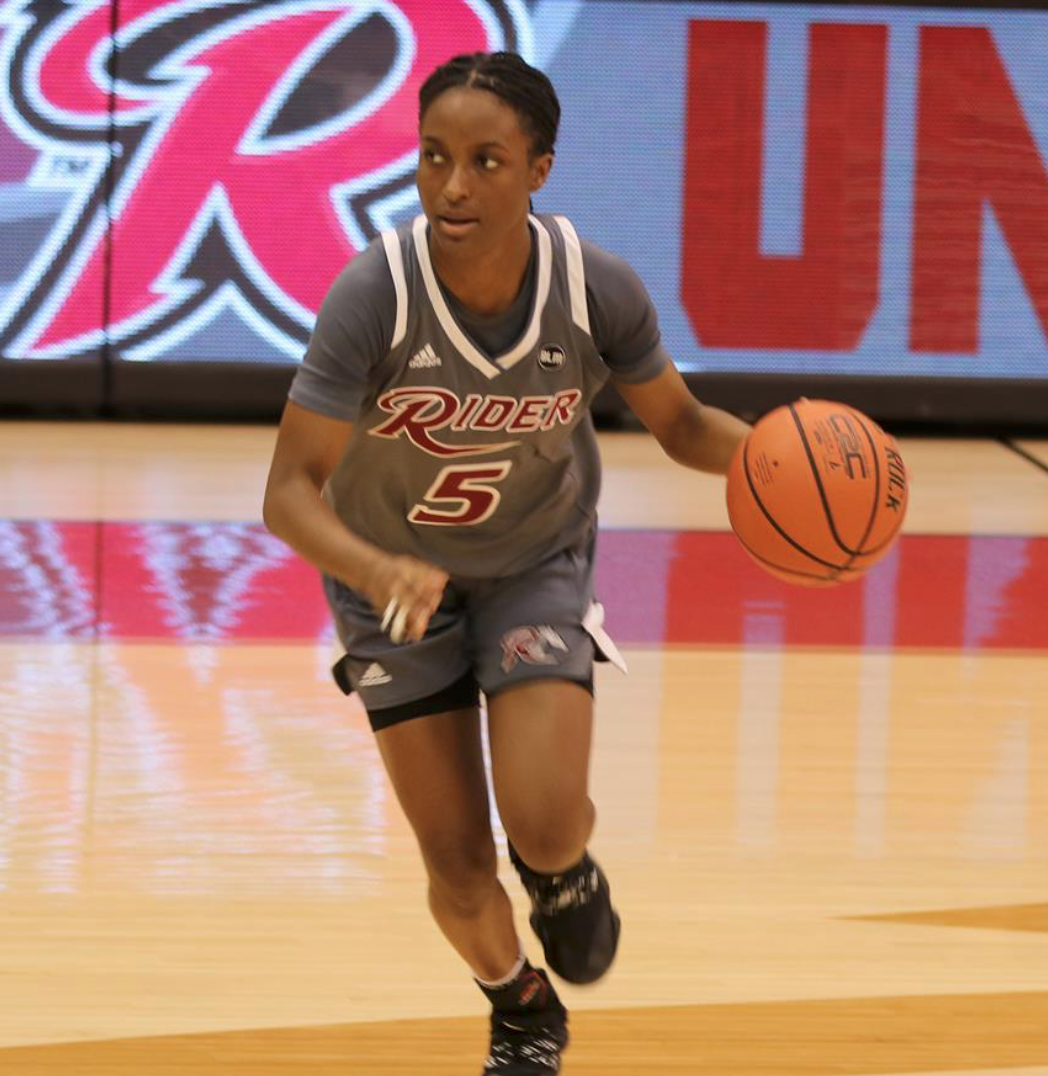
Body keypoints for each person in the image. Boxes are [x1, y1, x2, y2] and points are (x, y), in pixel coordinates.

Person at [263, 51, 750, 1075]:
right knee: (455, 859)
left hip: (532, 560)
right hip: (387, 587)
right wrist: (374, 565)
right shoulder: (374, 293)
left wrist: (776, 462)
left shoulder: (592, 287)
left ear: (539, 170)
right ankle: (518, 1002)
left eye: (486, 160)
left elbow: (681, 424)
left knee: (541, 816)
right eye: (434, 157)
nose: (452, 185)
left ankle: (564, 871)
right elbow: (288, 493)